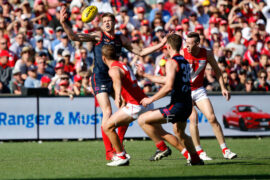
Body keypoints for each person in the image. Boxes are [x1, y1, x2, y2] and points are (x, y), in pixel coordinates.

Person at [59, 6, 168, 160]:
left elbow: (141, 52)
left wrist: (162, 43)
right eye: (105, 21)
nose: (108, 23)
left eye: (110, 21)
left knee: (126, 109)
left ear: (115, 23)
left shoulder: (120, 39)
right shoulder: (98, 36)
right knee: (108, 112)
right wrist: (64, 23)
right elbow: (75, 37)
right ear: (101, 24)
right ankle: (110, 152)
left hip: (115, 78)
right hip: (100, 78)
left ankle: (119, 145)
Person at [137, 34, 203, 166]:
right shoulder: (184, 61)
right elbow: (166, 80)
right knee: (180, 133)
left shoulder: (171, 62)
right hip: (186, 107)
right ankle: (195, 158)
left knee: (142, 120)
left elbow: (168, 86)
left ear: (167, 46)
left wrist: (151, 99)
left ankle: (163, 148)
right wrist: (146, 75)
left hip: (176, 108)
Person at [179, 32, 237, 160]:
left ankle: (225, 150)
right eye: (186, 43)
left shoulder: (207, 53)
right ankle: (200, 152)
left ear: (197, 43)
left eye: (189, 43)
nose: (187, 46)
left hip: (199, 90)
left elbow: (217, 70)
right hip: (185, 91)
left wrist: (223, 87)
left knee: (211, 117)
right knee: (193, 118)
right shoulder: (182, 53)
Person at [101, 44, 153, 166]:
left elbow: (117, 82)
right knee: (160, 132)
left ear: (103, 58)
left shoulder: (113, 69)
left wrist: (118, 96)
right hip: (144, 101)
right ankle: (190, 154)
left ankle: (121, 156)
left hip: (135, 104)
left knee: (107, 127)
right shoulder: (124, 65)